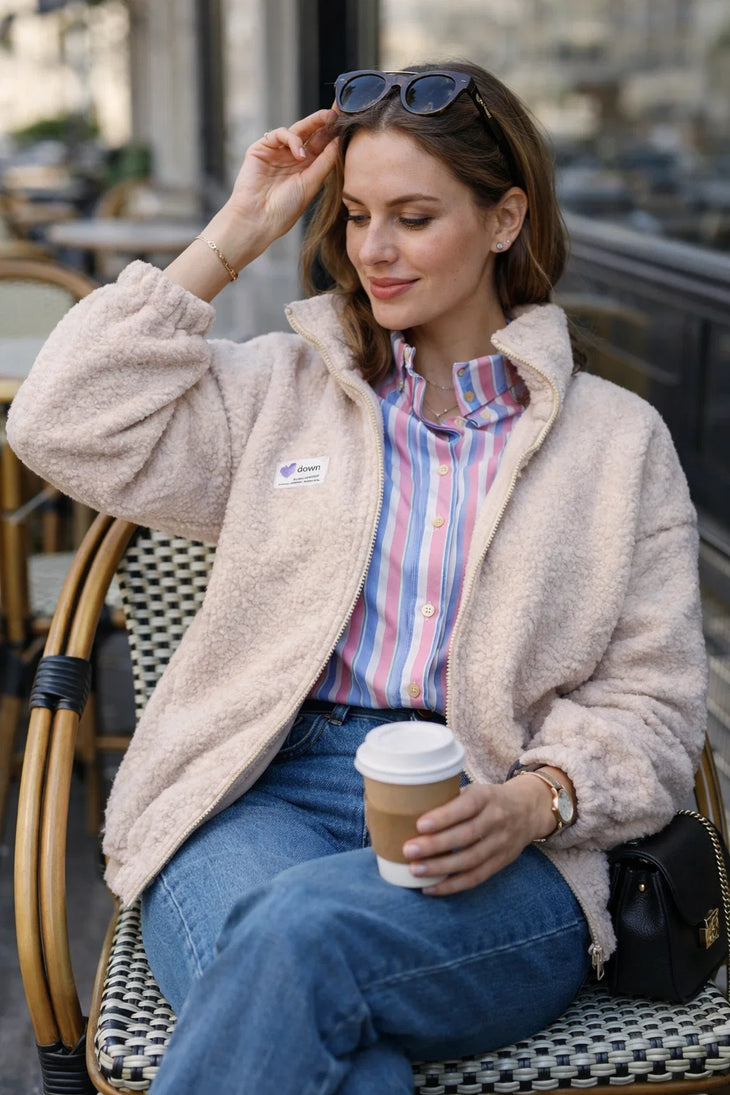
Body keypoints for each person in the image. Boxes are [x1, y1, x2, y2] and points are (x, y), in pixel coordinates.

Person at [8, 61, 707, 1095]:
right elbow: (57, 423)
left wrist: (537, 801)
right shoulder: (280, 394)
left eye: (413, 218)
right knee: (318, 1014)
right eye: (356, 215)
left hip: (494, 825)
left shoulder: (616, 444)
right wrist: (236, 231)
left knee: (291, 942)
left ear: (505, 218)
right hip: (258, 795)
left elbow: (659, 708)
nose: (373, 249)